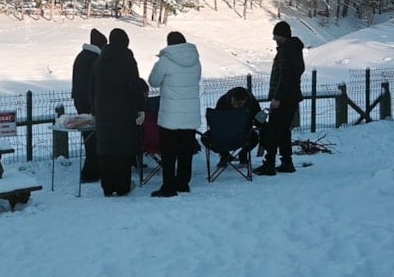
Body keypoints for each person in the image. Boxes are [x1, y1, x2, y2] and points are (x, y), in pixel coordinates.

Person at [89, 28, 146, 197]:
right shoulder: (127, 59)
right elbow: (134, 85)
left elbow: (91, 89)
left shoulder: (99, 61)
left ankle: (108, 186)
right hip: (124, 112)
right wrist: (140, 108)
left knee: (106, 149)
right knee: (122, 149)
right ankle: (122, 185)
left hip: (103, 113)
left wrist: (95, 110)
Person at [148, 31, 201, 197]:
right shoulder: (196, 60)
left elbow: (153, 81)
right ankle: (183, 183)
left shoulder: (165, 61)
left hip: (170, 115)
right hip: (190, 114)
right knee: (186, 150)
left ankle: (169, 187)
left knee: (169, 152)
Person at [254, 20, 305, 176]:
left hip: (283, 99)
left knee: (273, 131)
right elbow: (298, 71)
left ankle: (269, 164)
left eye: (276, 35)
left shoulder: (286, 51)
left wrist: (277, 98)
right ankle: (286, 162)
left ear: (282, 35)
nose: (274, 39)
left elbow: (284, 77)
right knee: (283, 131)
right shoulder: (295, 49)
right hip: (292, 96)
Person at [71, 28, 107, 183]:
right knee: (93, 138)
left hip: (80, 101)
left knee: (89, 138)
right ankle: (91, 172)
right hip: (90, 103)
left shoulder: (81, 56)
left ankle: (92, 170)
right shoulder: (95, 59)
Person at [202, 86, 265, 167]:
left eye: (240, 104)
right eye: (234, 103)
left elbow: (259, 119)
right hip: (225, 135)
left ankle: (241, 155)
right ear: (231, 98)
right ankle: (225, 155)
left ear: (246, 100)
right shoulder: (223, 102)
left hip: (242, 135)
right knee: (204, 138)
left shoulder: (252, 102)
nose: (236, 106)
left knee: (255, 137)